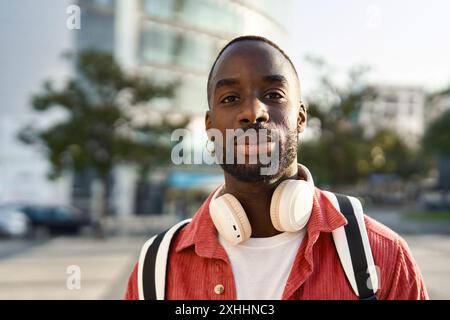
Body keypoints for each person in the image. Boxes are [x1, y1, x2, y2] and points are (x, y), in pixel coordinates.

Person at [124, 35, 428, 300]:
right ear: (209, 126)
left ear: (300, 117)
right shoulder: (155, 271)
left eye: (273, 95)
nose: (253, 112)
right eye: (230, 98)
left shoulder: (385, 256)